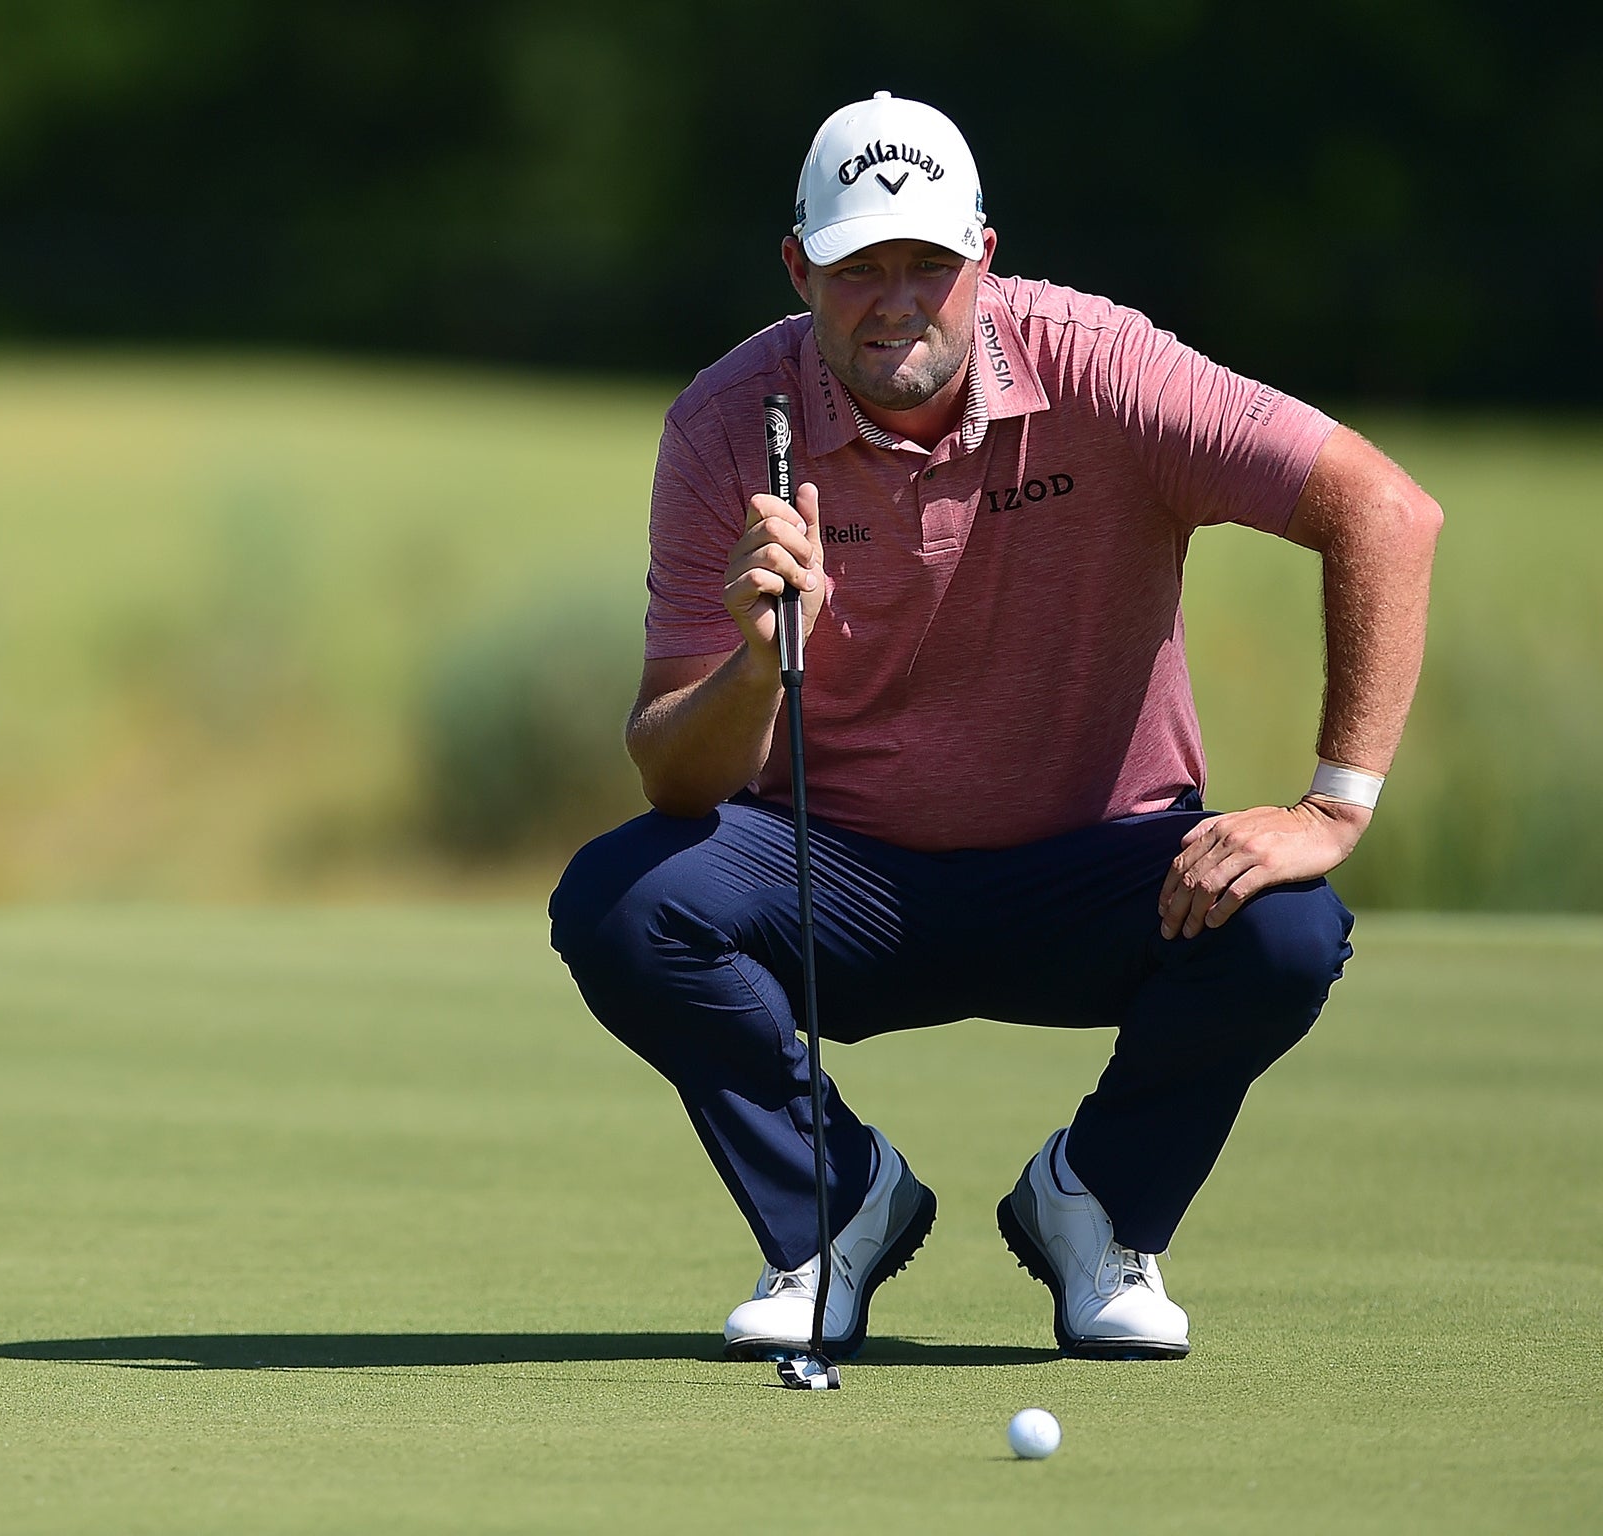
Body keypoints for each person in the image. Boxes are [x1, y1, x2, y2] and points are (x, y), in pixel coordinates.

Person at [547, 92, 1441, 1361]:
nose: (897, 297)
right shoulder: (724, 422)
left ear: (984, 254)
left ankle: (1097, 1214)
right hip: (833, 876)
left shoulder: (1103, 366)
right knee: (621, 903)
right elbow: (674, 777)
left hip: (1095, 863)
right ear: (799, 266)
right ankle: (831, 1212)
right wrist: (754, 668)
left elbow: (1382, 511)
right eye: (859, 265)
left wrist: (1331, 805)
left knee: (1286, 926)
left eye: (928, 261)